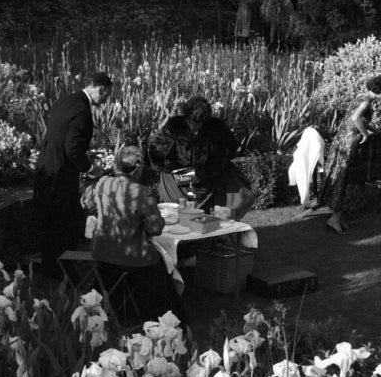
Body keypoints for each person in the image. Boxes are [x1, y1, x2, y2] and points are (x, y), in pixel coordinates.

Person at [81, 145, 182, 322]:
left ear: (117, 166)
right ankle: (166, 315)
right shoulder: (141, 192)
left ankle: (127, 308)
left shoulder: (104, 183)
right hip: (132, 257)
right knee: (161, 264)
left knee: (151, 262)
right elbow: (155, 228)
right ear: (138, 169)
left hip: (103, 254)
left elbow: (86, 202)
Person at [33, 72, 113, 277]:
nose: (105, 102)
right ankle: (64, 272)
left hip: (46, 166)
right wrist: (90, 168)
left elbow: (61, 135)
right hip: (61, 173)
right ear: (100, 89)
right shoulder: (82, 111)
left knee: (48, 223)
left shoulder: (66, 100)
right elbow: (73, 149)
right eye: (106, 96)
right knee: (63, 223)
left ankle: (50, 268)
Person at [148, 97, 255, 219]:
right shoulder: (174, 126)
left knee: (208, 218)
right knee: (177, 215)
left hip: (207, 183)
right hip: (175, 183)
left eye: (199, 122)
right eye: (192, 121)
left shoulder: (218, 129)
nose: (195, 126)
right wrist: (172, 167)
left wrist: (209, 170)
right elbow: (155, 150)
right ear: (186, 116)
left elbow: (230, 150)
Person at [320, 73, 381, 234]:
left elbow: (358, 120)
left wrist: (373, 129)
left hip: (342, 139)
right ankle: (334, 219)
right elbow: (355, 118)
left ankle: (338, 217)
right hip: (349, 143)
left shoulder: (361, 95)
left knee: (342, 179)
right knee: (345, 180)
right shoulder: (366, 101)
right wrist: (366, 134)